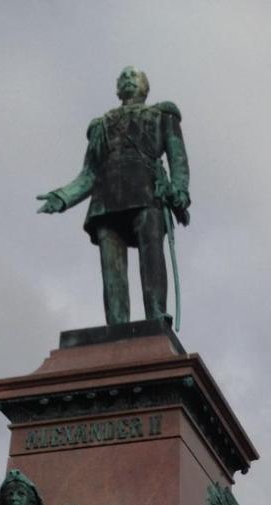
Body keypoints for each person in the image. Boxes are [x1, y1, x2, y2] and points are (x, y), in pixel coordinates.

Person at [37, 66, 190, 326]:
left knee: (151, 256)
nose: (129, 80)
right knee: (111, 269)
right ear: (117, 88)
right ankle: (116, 327)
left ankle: (155, 317)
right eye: (124, 77)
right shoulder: (101, 125)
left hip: (147, 194)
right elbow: (89, 174)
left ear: (145, 86)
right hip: (106, 200)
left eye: (134, 77)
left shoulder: (162, 116)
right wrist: (62, 197)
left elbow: (178, 160)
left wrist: (179, 191)